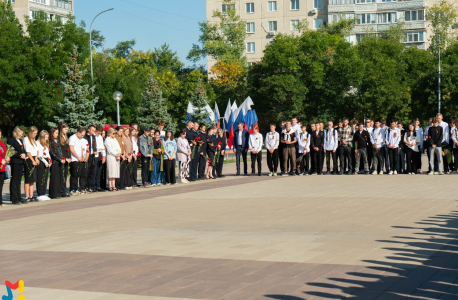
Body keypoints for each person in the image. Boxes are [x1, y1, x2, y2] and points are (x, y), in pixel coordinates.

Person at [8, 127, 27, 205]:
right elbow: (11, 151)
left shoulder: (21, 140)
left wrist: (24, 154)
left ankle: (18, 196)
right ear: (17, 132)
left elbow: (23, 150)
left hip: (21, 162)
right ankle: (14, 198)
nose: (22, 135)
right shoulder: (11, 140)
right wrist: (20, 155)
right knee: (14, 180)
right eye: (21, 133)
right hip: (15, 161)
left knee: (18, 180)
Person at [69, 127, 87, 196]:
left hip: (80, 159)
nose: (82, 137)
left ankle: (76, 189)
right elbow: (71, 149)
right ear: (78, 132)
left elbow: (81, 149)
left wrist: (82, 156)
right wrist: (77, 157)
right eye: (82, 135)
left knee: (78, 174)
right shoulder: (72, 138)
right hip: (74, 159)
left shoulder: (80, 139)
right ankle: (72, 189)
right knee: (74, 175)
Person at [23, 126, 39, 202]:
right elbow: (28, 151)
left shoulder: (34, 140)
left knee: (32, 179)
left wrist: (36, 158)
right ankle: (27, 196)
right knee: (28, 178)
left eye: (36, 133)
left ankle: (31, 195)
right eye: (34, 133)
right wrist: (32, 160)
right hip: (29, 159)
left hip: (34, 158)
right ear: (30, 132)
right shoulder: (26, 139)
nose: (35, 135)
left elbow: (37, 150)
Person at [36, 130, 52, 201]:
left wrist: (50, 161)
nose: (47, 139)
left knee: (45, 178)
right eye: (45, 137)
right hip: (41, 161)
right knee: (40, 178)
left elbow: (47, 154)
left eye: (47, 137)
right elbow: (39, 155)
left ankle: (43, 192)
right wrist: (45, 162)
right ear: (42, 137)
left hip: (46, 161)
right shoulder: (37, 143)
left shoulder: (46, 144)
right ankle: (40, 193)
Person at [48, 128, 64, 199]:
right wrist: (59, 159)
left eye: (57, 133)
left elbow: (59, 151)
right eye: (56, 133)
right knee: (54, 178)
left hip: (59, 162)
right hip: (55, 162)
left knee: (58, 178)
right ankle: (53, 194)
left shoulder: (57, 141)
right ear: (52, 133)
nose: (57, 135)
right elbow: (52, 153)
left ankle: (58, 192)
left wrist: (62, 158)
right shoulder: (50, 142)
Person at [58, 123, 71, 198]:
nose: (66, 131)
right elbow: (60, 150)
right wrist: (64, 158)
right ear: (61, 129)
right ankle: (61, 191)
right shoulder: (59, 138)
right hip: (62, 159)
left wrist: (69, 157)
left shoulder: (65, 137)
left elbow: (67, 149)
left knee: (65, 175)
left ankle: (64, 191)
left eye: (67, 129)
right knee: (62, 176)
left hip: (66, 159)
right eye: (65, 129)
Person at [93, 125, 107, 192]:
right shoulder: (93, 136)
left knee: (99, 171)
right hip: (95, 154)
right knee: (94, 171)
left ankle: (98, 185)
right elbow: (95, 147)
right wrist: (100, 149)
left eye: (100, 133)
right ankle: (93, 186)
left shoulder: (100, 137)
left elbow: (102, 147)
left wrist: (104, 156)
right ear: (96, 131)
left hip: (100, 154)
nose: (99, 134)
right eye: (98, 132)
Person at [0, 129, 11, 206]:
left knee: (0, 185)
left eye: (0, 135)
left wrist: (8, 158)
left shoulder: (2, 144)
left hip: (2, 168)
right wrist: (0, 160)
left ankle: (0, 202)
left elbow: (6, 153)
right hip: (1, 164)